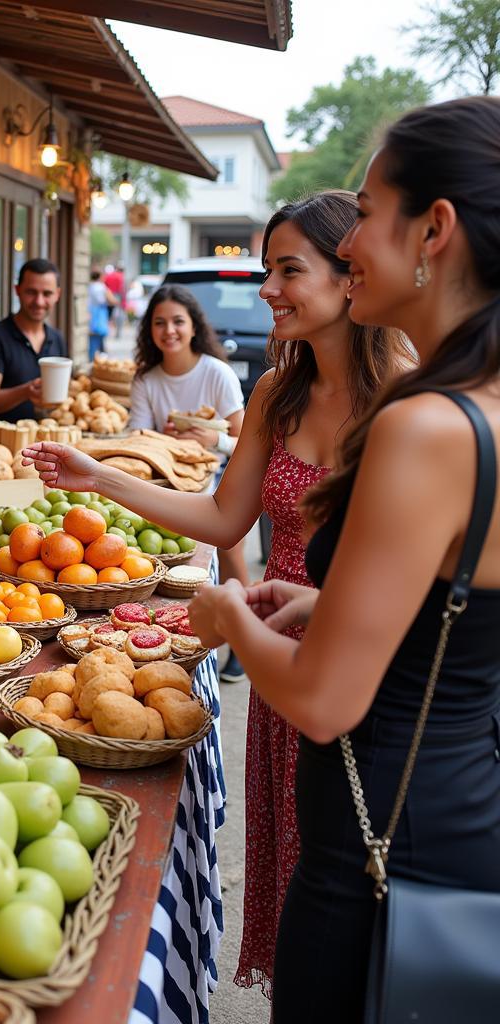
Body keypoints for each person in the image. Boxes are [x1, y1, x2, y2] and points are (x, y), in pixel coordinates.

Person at [21, 189, 408, 1002]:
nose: (267, 289)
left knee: (362, 909)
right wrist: (104, 475)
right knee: (302, 901)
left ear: (351, 277)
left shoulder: (409, 403)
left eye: (286, 269)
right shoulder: (277, 390)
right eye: (268, 268)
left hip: (366, 671)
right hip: (277, 666)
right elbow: (222, 515)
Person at [187, 96, 500, 1020]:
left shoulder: (420, 425)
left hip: (376, 847)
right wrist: (328, 605)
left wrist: (228, 618)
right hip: (455, 814)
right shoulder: (481, 405)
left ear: (433, 230)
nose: (352, 237)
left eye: (365, 210)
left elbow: (325, 702)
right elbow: (462, 618)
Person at [126, 283, 248, 680]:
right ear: (150, 330)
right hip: (165, 481)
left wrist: (213, 439)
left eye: (178, 321)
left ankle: (246, 641)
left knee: (229, 548)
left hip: (218, 475)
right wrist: (167, 441)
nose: (169, 330)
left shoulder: (218, 373)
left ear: (194, 326)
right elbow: (138, 440)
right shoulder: (146, 380)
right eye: (159, 323)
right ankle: (170, 636)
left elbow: (245, 441)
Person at [0, 258, 66, 422]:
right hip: (3, 444)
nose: (39, 301)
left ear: (58, 294)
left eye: (47, 293)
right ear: (17, 290)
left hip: (48, 441)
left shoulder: (57, 338)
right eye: (31, 292)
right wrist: (26, 392)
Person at [87, 270, 115, 360]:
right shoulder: (102, 287)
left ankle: (93, 359)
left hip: (91, 314)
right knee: (99, 339)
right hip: (99, 316)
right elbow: (111, 300)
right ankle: (99, 359)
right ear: (100, 277)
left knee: (92, 342)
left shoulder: (89, 286)